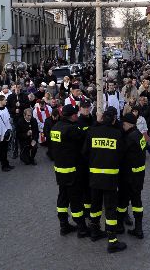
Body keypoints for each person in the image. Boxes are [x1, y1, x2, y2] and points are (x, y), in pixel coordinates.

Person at [85, 107, 127, 253]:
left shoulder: (92, 132)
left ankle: (95, 232)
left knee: (95, 206)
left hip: (94, 177)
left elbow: (85, 152)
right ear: (114, 120)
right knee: (110, 210)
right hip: (110, 179)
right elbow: (122, 155)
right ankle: (112, 241)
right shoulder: (117, 134)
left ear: (102, 119)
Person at [50, 104, 88, 238]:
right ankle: (82, 228)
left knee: (62, 197)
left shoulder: (55, 128)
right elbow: (84, 137)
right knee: (76, 199)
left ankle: (64, 225)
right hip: (72, 170)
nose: (77, 116)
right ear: (72, 116)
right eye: (76, 115)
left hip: (59, 170)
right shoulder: (71, 129)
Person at [117, 113, 146, 239]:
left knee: (122, 201)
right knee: (137, 202)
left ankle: (119, 226)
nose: (122, 126)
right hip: (139, 175)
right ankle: (138, 229)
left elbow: (120, 154)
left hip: (128, 176)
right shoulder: (139, 135)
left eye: (123, 124)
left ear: (129, 124)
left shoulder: (129, 138)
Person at [0, 95, 14, 172]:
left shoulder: (5, 109)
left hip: (7, 133)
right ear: (0, 101)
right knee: (2, 151)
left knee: (5, 150)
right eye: (5, 100)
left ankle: (7, 164)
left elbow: (8, 120)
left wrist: (10, 129)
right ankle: (3, 166)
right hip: (1, 135)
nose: (6, 101)